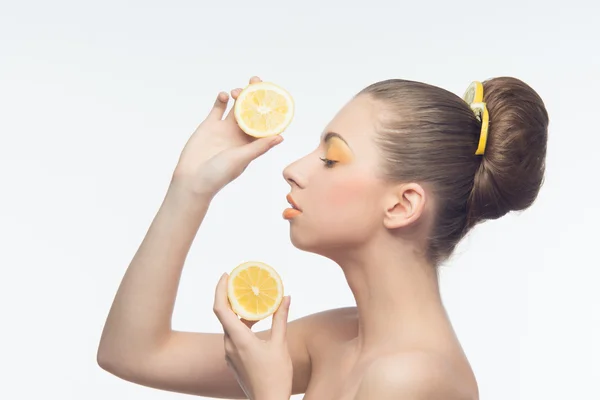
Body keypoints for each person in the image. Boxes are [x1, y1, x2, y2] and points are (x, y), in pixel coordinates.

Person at [97, 75, 548, 400]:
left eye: (331, 157)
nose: (293, 168)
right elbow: (133, 352)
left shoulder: (414, 379)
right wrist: (190, 188)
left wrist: (269, 394)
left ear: (401, 205)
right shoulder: (335, 337)